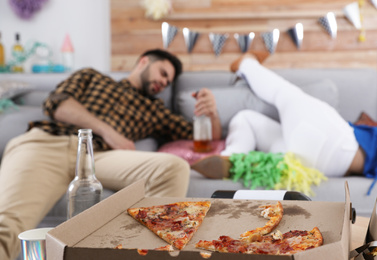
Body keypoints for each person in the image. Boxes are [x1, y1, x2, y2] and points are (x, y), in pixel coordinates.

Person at [0, 49, 222, 260]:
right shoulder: (92, 77)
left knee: (175, 167)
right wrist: (108, 132)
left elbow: (204, 136)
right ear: (144, 61)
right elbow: (56, 103)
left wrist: (211, 112)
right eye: (163, 73)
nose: (163, 83)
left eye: (167, 82)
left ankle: (149, 253)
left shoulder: (154, 110)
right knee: (6, 227)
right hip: (48, 144)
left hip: (100, 156)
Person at [192, 53, 366, 181]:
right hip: (307, 162)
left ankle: (247, 63)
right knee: (246, 119)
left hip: (340, 148)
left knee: (285, 94)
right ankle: (233, 156)